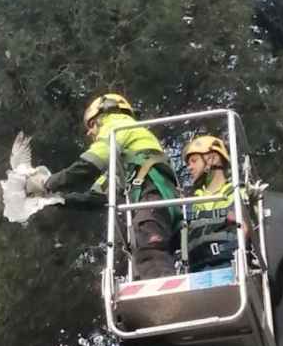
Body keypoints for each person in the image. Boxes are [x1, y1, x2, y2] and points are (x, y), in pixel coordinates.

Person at [27, 94, 181, 279]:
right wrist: (52, 200)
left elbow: (89, 165)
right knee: (146, 253)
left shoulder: (117, 124)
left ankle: (164, 301)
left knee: (149, 252)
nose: (89, 133)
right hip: (154, 198)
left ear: (103, 114)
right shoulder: (124, 160)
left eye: (91, 124)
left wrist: (47, 183)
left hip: (151, 195)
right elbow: (97, 197)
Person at [182, 135, 241, 271]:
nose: (189, 167)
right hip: (196, 272)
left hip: (231, 266)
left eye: (194, 161)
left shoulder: (238, 193)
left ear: (212, 159)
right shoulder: (190, 203)